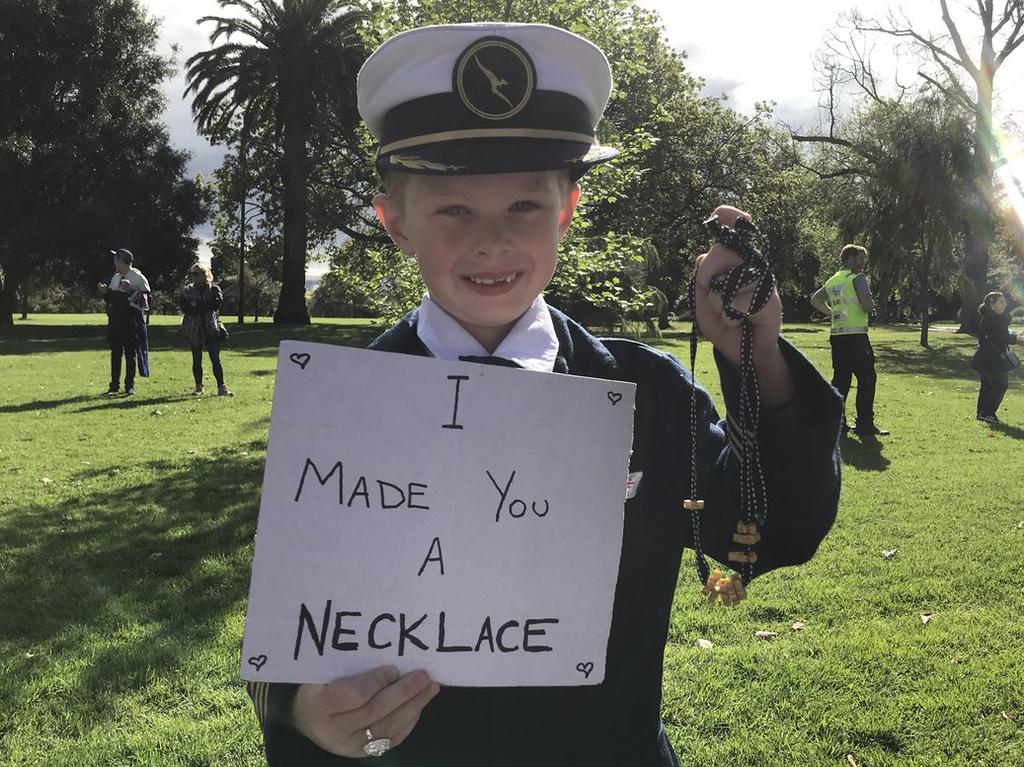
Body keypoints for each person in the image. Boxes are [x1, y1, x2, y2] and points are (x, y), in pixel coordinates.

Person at [245, 23, 842, 766]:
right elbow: (290, 633)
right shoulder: (339, 410)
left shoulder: (648, 395)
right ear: (395, 222)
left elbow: (768, 534)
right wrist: (304, 710)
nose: (493, 240)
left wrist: (755, 360)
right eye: (454, 209)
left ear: (567, 211)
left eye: (525, 206)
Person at [810, 244, 889, 437]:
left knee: (841, 379)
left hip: (837, 337)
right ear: (850, 258)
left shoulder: (832, 281)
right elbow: (868, 306)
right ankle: (864, 424)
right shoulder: (858, 278)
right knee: (867, 379)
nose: (862, 263)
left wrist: (833, 313)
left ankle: (837, 423)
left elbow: (815, 300)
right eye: (860, 258)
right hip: (857, 338)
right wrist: (871, 303)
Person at [96, 248, 149, 395]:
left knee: (130, 355)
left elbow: (146, 301)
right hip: (115, 321)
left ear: (121, 261)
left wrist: (131, 291)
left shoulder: (137, 277)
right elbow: (112, 299)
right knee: (115, 354)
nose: (113, 262)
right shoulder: (116, 277)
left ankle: (129, 386)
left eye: (115, 259)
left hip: (130, 322)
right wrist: (106, 293)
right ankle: (114, 386)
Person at [178, 263, 233, 397]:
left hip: (211, 327)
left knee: (215, 358)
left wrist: (196, 304)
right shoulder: (187, 290)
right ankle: (198, 387)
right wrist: (202, 307)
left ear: (204, 274)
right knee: (197, 359)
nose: (193, 276)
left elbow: (216, 303)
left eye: (196, 273)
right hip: (194, 328)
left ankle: (221, 387)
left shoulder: (214, 288)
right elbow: (185, 308)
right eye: (192, 273)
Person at [972, 291, 1020, 423]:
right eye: (1001, 301)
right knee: (1001, 384)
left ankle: (982, 414)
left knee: (987, 385)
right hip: (990, 358)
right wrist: (1015, 339)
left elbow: (1001, 334)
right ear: (992, 305)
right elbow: (997, 336)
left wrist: (1013, 337)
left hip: (988, 358)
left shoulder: (996, 317)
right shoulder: (990, 318)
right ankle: (988, 413)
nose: (1005, 304)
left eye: (1004, 301)